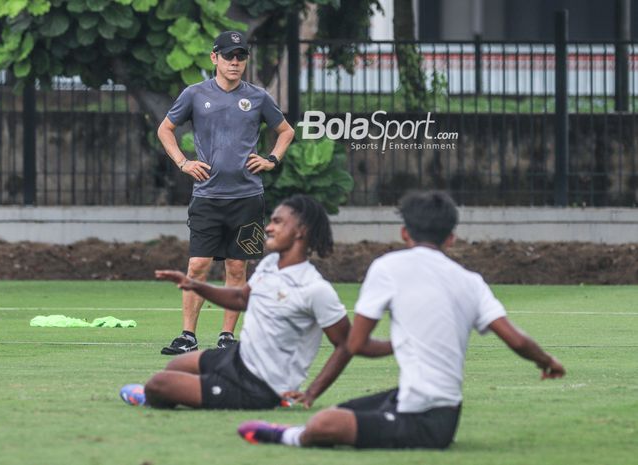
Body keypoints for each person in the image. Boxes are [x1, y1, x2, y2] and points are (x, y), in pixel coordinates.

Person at [237, 190, 566, 449]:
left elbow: (355, 344)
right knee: (336, 414)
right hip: (440, 412)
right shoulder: (471, 280)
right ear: (451, 237)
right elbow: (517, 340)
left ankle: (288, 437)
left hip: (424, 421)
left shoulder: (388, 267)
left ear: (404, 232)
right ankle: (302, 429)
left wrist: (396, 343)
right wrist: (547, 361)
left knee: (327, 424)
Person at [121, 195, 351, 410]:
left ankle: (160, 397)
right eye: (270, 221)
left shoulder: (315, 288)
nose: (268, 228)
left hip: (259, 384)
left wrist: (312, 392)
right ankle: (209, 388)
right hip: (239, 358)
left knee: (159, 384)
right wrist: (195, 285)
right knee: (176, 366)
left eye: (278, 222)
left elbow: (346, 344)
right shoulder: (270, 264)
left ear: (300, 231)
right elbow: (241, 298)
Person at [156, 30, 295, 354]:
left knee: (237, 268)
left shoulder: (258, 97)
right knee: (198, 266)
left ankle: (226, 337)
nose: (235, 62)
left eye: (241, 56)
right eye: (229, 55)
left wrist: (272, 158)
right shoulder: (194, 94)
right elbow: (165, 128)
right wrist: (182, 162)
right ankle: (188, 336)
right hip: (207, 198)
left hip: (247, 198)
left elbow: (285, 131)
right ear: (214, 58)